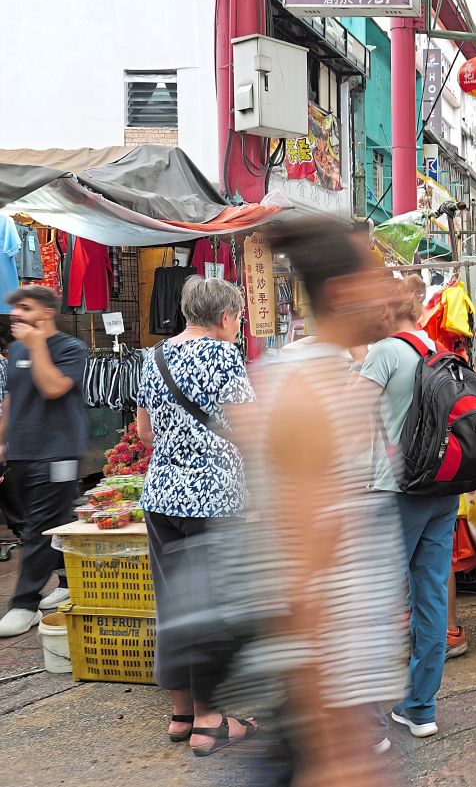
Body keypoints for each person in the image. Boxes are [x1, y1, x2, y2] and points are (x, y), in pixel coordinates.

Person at [233, 220, 405, 784]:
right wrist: (330, 741)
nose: (390, 292)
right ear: (341, 293)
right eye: (376, 277)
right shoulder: (306, 394)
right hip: (321, 696)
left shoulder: (329, 376)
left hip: (341, 686)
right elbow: (300, 577)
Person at [134, 277, 262, 752]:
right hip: (213, 498)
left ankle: (181, 713)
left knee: (175, 603)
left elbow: (144, 432)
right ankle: (211, 722)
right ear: (226, 317)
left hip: (162, 496)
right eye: (238, 319)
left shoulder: (155, 357)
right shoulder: (224, 355)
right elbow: (248, 429)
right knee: (212, 606)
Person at [354, 275, 463, 737]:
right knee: (431, 596)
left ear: (384, 313)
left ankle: (371, 724)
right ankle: (421, 708)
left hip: (395, 492)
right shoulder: (440, 353)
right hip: (441, 491)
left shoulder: (383, 353)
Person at [0, 285, 86, 639]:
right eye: (15, 308)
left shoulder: (71, 349)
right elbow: (10, 399)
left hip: (58, 451)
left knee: (38, 527)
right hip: (22, 450)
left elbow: (53, 388)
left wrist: (37, 347)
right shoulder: (17, 349)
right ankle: (68, 580)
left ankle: (24, 604)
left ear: (47, 312)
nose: (17, 314)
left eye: (25, 307)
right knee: (55, 520)